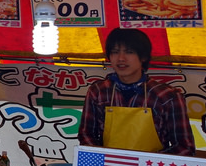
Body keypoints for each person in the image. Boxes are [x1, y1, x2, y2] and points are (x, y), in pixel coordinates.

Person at [79, 28, 194, 156]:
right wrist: (105, 160)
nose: (121, 58)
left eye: (129, 52)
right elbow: (86, 134)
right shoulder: (98, 91)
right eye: (115, 52)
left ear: (143, 57)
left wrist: (146, 164)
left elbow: (184, 147)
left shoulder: (167, 96)